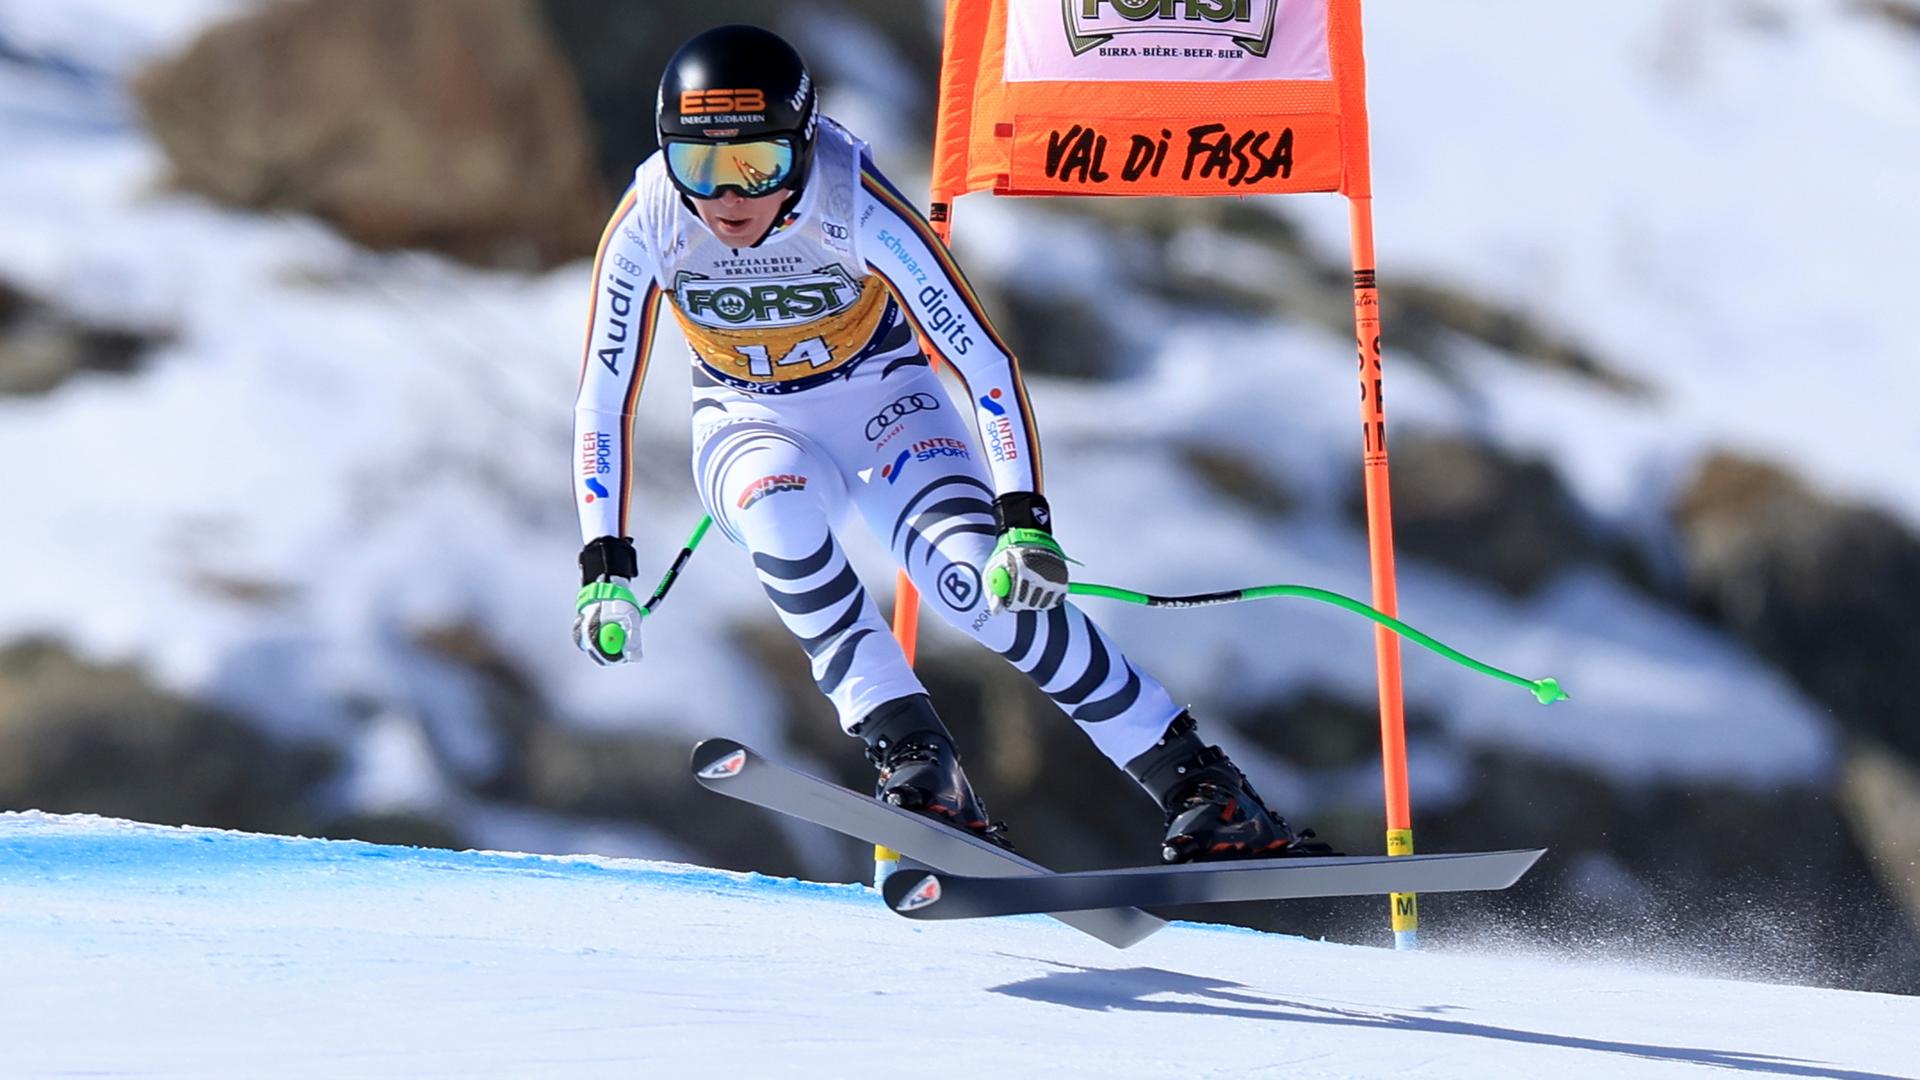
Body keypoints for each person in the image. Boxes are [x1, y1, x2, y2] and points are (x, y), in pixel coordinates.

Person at [570, 24, 1326, 863]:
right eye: (699, 165)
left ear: (804, 142)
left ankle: (1202, 786)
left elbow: (984, 361)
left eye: (758, 164)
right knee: (778, 517)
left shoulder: (850, 201)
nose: (727, 196)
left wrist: (1024, 522)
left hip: (887, 402)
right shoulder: (650, 220)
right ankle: (918, 762)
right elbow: (605, 401)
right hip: (749, 421)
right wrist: (605, 567)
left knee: (978, 584)